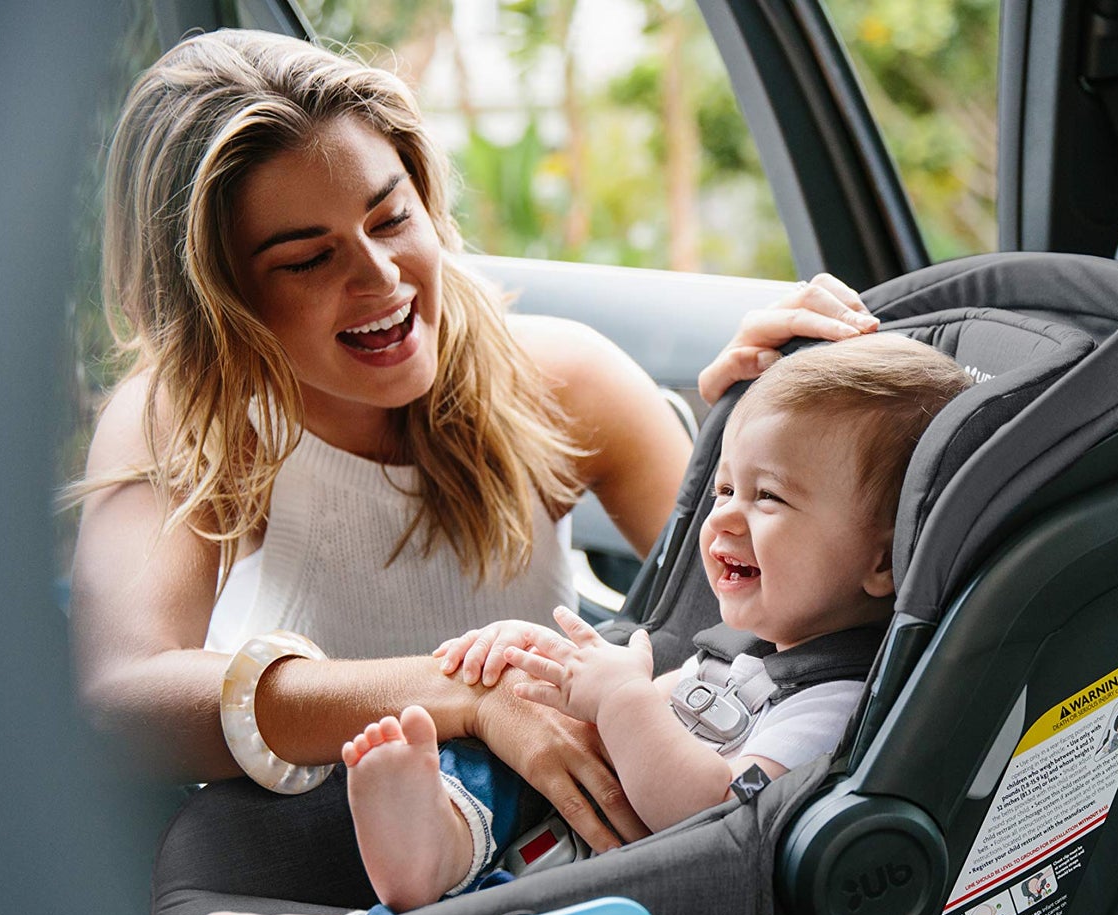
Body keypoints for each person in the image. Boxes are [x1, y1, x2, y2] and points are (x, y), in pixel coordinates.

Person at [69, 29, 882, 850]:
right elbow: (119, 701)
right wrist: (468, 698)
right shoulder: (184, 418)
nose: (380, 277)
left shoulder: (562, 378)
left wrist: (762, 423)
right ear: (219, 299)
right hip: (314, 863)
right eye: (310, 259)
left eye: (391, 218)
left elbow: (771, 615)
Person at [197, 335, 973, 915]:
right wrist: (539, 661)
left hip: (627, 895)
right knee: (501, 753)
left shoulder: (835, 703)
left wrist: (625, 698)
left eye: (767, 498)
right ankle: (435, 833)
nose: (724, 516)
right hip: (569, 830)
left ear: (881, 562)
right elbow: (610, 697)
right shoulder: (747, 650)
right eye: (726, 487)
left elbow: (716, 815)